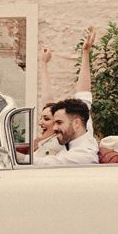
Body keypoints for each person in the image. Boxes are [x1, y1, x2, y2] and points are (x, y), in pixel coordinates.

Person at [33, 27, 95, 158]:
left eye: (47, 119)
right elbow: (83, 95)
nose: (40, 123)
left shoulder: (82, 149)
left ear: (76, 123)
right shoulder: (70, 134)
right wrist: (43, 63)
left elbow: (40, 163)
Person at [33, 98, 99, 165]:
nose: (54, 128)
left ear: (76, 123)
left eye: (59, 122)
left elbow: (54, 162)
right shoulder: (67, 142)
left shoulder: (86, 153)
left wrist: (27, 159)